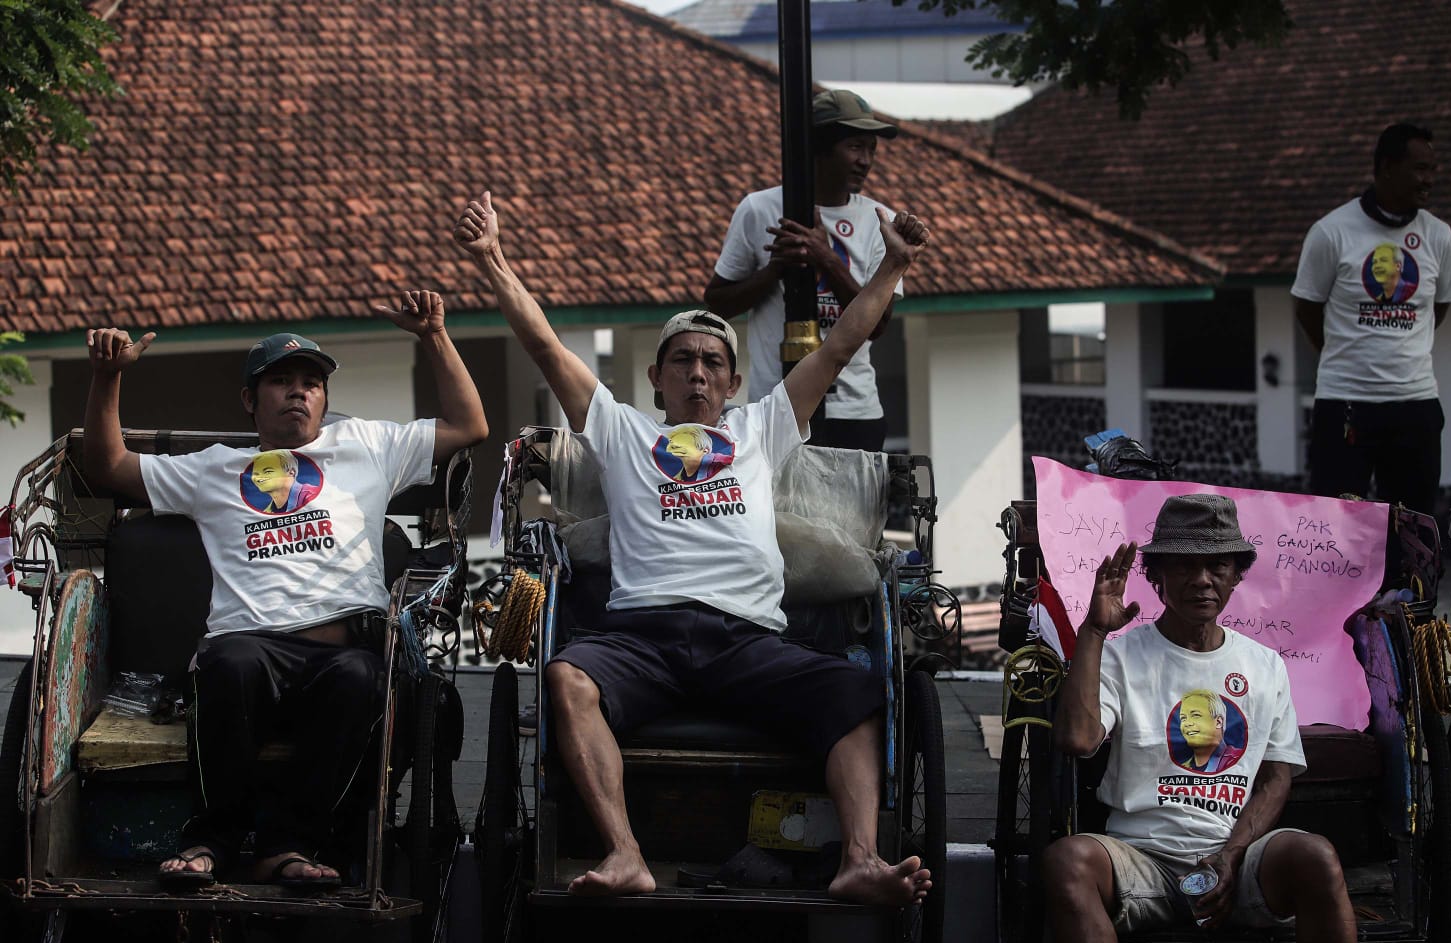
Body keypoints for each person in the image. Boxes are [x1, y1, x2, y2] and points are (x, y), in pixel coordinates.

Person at [454, 189, 932, 905]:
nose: (698, 373)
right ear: (655, 379)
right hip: (644, 637)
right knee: (564, 679)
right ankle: (625, 854)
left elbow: (839, 347)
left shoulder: (762, 428)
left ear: (735, 382)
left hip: (750, 641)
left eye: (712, 361)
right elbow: (543, 345)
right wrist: (491, 257)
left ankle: (859, 859)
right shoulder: (621, 432)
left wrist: (891, 267)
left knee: (864, 693)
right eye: (681, 361)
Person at [81, 290, 487, 888]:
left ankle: (288, 847)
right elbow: (109, 466)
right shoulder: (213, 467)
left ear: (324, 399)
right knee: (226, 662)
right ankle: (212, 838)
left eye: (311, 383)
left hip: (344, 649)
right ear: (251, 400)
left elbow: (469, 425)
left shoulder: (369, 447)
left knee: (364, 680)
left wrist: (434, 336)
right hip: (251, 648)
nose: (299, 391)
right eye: (281, 382)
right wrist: (106, 377)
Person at [1043, 495, 1356, 943]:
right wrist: (1095, 630)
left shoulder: (1264, 665)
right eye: (1184, 566)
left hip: (1236, 857)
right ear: (1156, 576)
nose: (1202, 580)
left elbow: (1277, 776)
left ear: (1236, 577)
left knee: (1316, 855)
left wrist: (1232, 854)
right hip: (1139, 858)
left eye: (1217, 566)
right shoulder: (1122, 657)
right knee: (1066, 861)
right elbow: (1077, 740)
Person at [704, 89, 900, 452]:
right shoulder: (759, 209)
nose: (866, 160)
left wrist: (825, 257)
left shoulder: (878, 221)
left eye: (871, 149)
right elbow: (716, 304)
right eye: (855, 147)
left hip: (854, 411)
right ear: (819, 148)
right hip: (775, 406)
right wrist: (775, 270)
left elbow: (880, 324)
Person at [1292, 123, 1451, 518]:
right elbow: (1306, 307)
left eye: (1433, 170)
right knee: (1333, 525)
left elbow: (1437, 307)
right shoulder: (1332, 232)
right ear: (1387, 167)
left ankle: (1403, 585)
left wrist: (1401, 349)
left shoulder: (1439, 236)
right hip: (1346, 405)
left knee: (1412, 530)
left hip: (1416, 405)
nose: (1429, 181)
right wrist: (1342, 352)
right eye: (1420, 169)